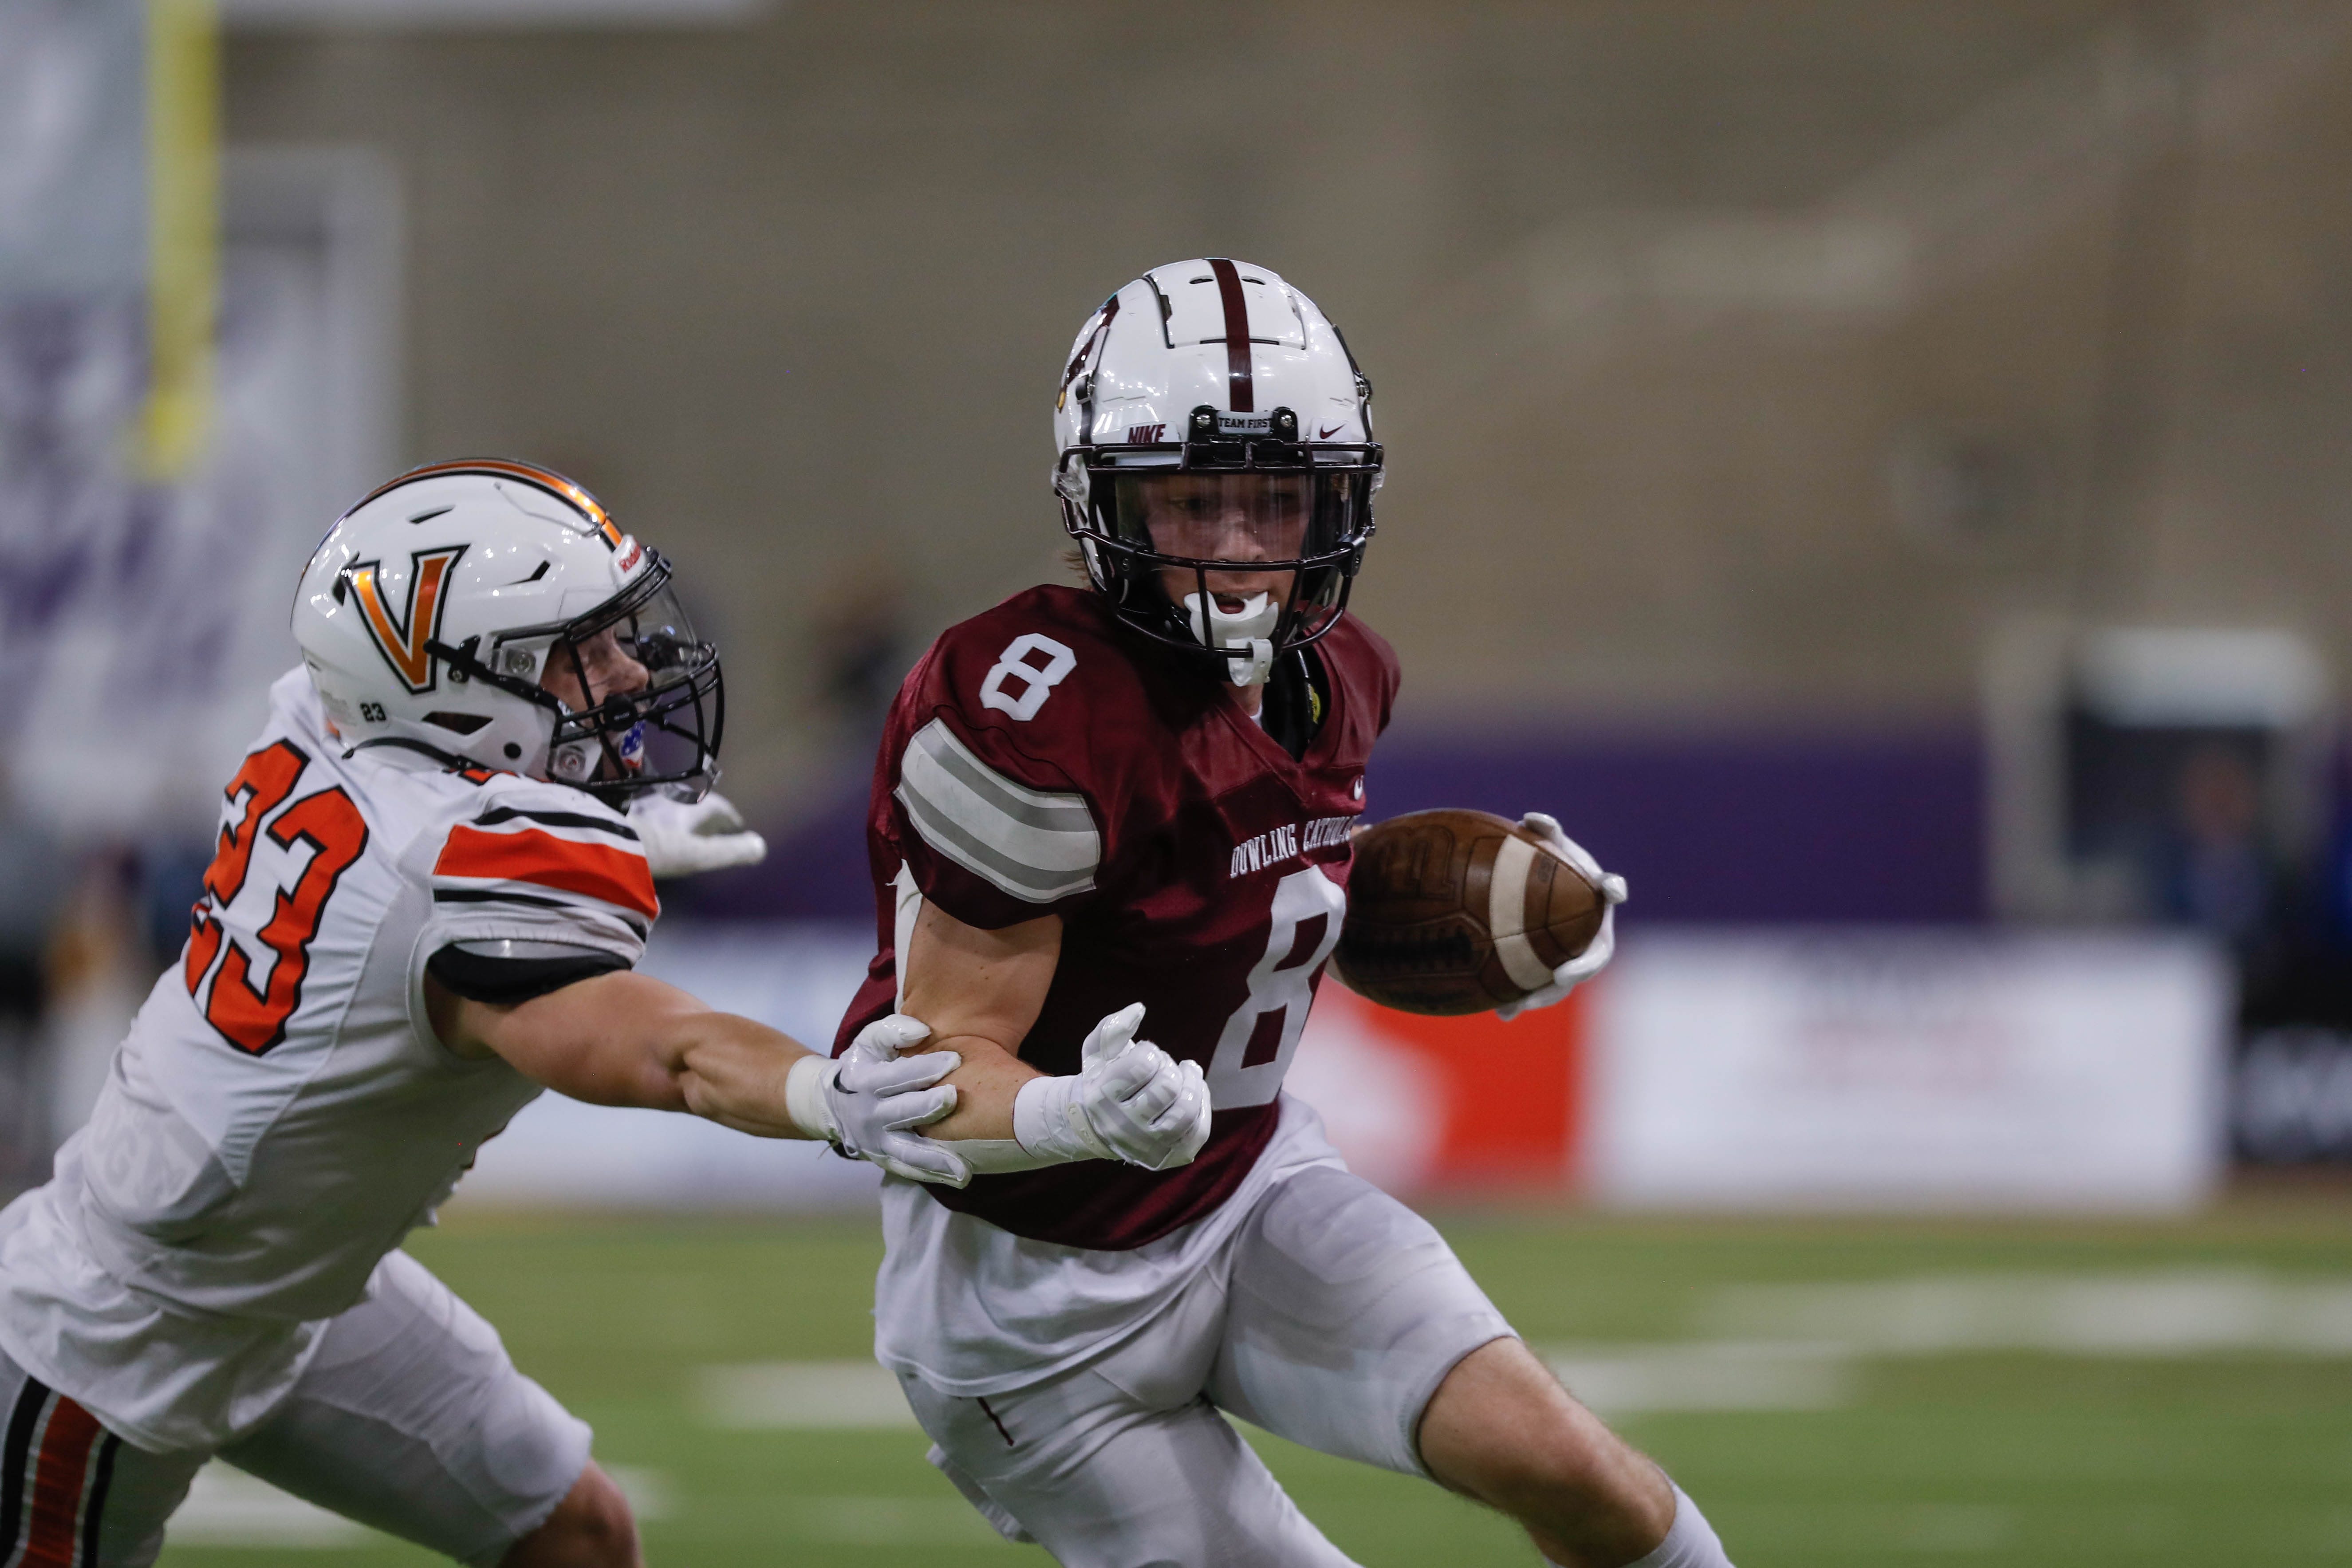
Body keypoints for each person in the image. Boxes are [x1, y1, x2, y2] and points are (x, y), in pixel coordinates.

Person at [836, 261, 1734, 1567]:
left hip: (1249, 1190)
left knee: (1576, 1470)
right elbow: (933, 1074)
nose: (1246, 544)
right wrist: (1073, 1110)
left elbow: (1259, 883)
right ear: (1103, 500)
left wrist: (1494, 910)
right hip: (1030, 1308)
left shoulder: (1344, 673)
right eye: (1194, 500)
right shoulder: (1029, 706)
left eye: (1276, 497)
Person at [0, 459, 967, 1568]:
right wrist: (818, 1089)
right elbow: (650, 1048)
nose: (623, 671)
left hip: (295, 1285)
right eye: (576, 652)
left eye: (612, 633)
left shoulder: (328, 715)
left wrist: (621, 830)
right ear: (453, 688)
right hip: (116, 1339)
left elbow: (406, 844)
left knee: (576, 1536)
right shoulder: (458, 867)